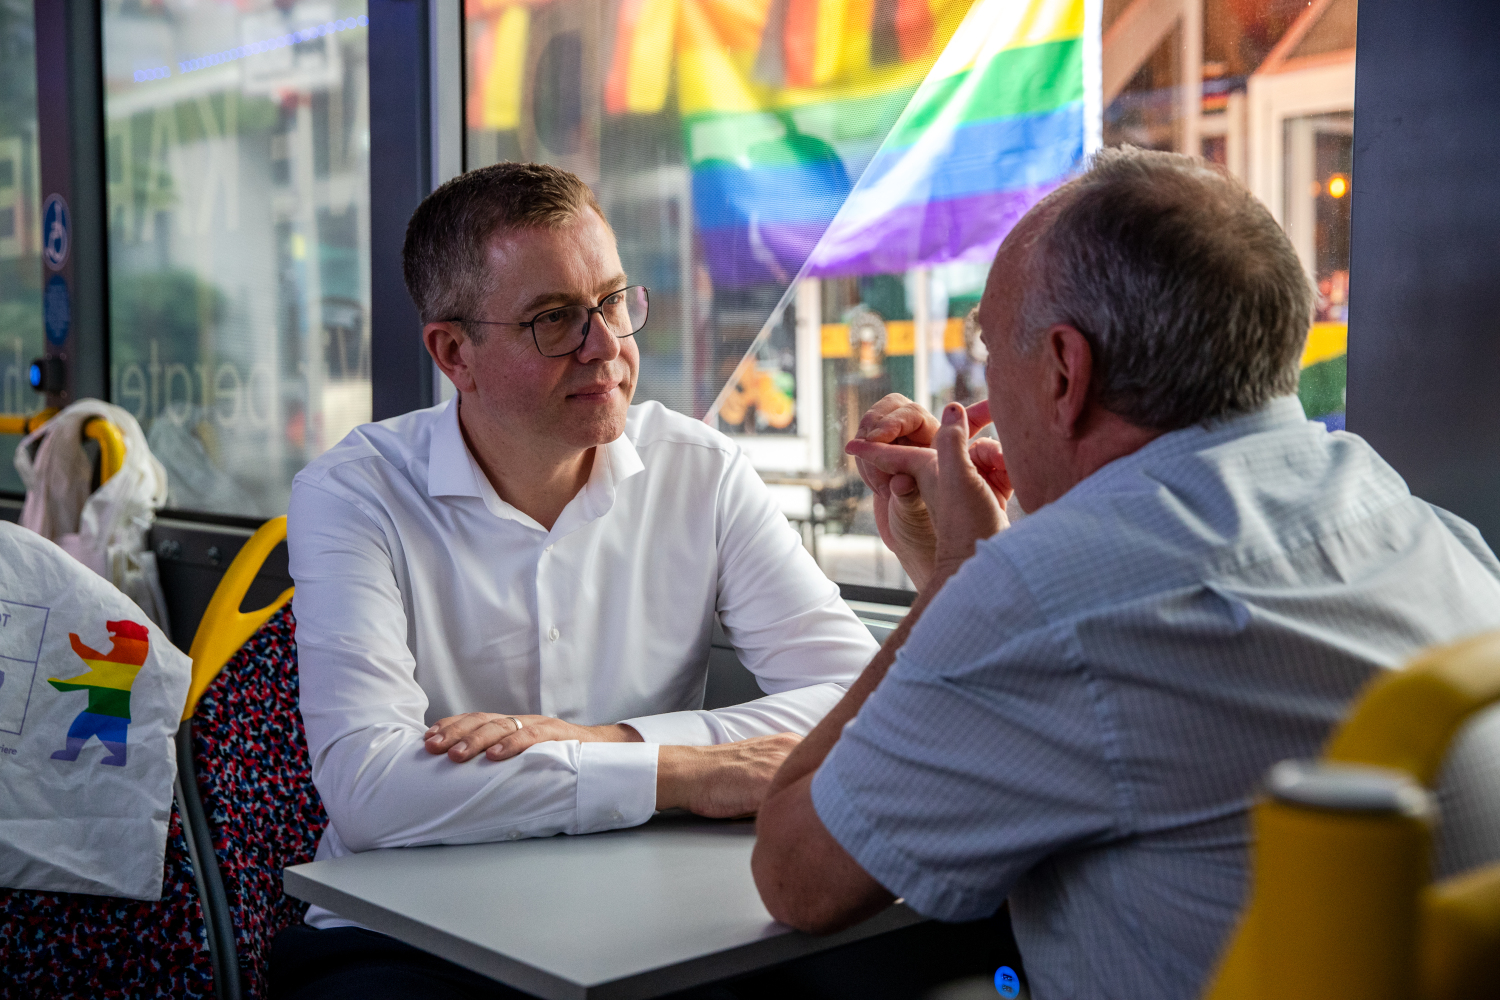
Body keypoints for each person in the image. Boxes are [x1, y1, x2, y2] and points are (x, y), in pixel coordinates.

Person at [750, 147, 1500, 1000]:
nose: (984, 386)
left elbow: (795, 872)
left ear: (1067, 371)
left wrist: (965, 572)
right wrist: (967, 582)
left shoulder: (1047, 600)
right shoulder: (1406, 515)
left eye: (992, 347)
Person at [277, 162, 878, 997]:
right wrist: (677, 773)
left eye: (613, 303)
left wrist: (609, 743)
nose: (607, 349)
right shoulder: (354, 494)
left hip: (648, 908)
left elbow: (855, 695)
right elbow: (371, 792)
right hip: (407, 932)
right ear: (456, 353)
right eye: (554, 320)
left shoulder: (698, 472)